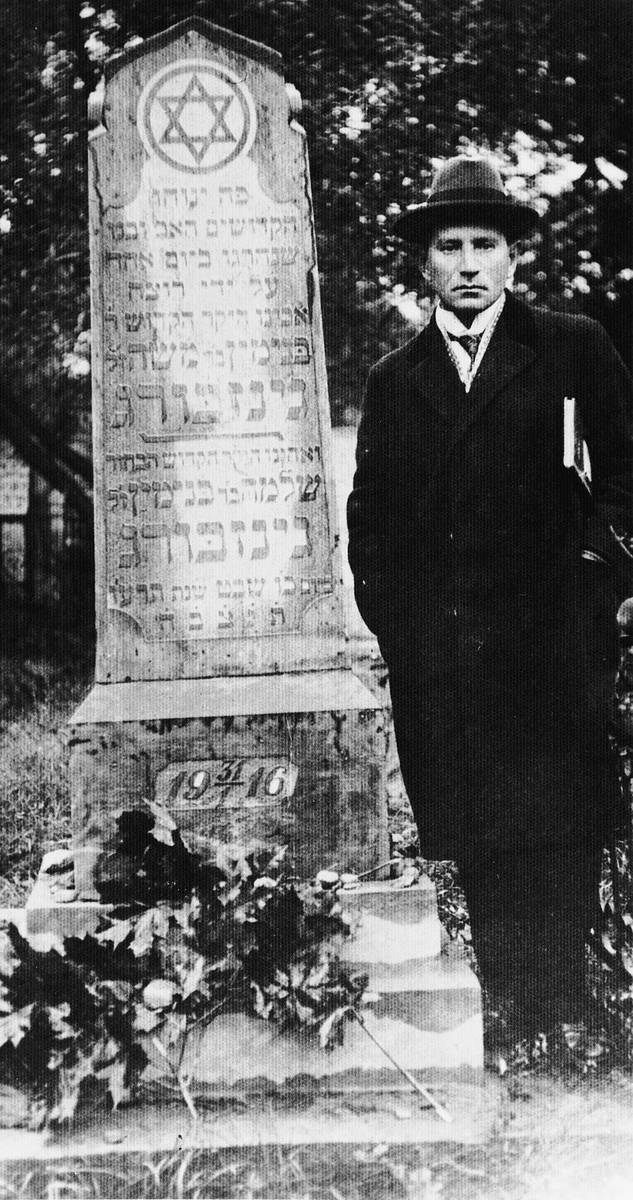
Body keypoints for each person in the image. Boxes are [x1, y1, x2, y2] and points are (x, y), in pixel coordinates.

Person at [347, 156, 633, 1059]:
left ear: (514, 258)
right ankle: (508, 1003)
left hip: (555, 635)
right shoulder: (398, 379)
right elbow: (373, 521)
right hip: (451, 651)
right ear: (424, 265)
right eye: (450, 246)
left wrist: (601, 589)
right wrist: (406, 629)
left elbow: (624, 477)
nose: (469, 262)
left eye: (486, 244)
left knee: (564, 820)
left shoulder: (572, 346)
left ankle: (567, 1004)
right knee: (484, 828)